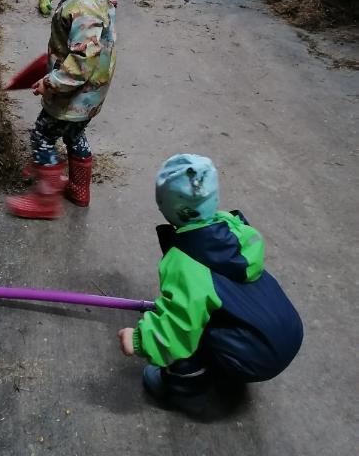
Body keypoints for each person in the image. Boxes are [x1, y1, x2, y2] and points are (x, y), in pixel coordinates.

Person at [118, 154, 304, 416]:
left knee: (190, 333)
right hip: (289, 330)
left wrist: (139, 340)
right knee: (209, 305)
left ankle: (183, 385)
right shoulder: (232, 226)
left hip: (258, 357)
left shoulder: (184, 262)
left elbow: (179, 326)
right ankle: (234, 353)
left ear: (167, 208)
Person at [7, 0, 128, 219]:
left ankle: (45, 199)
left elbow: (81, 62)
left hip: (72, 92)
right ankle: (79, 188)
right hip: (91, 95)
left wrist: (52, 82)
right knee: (75, 134)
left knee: (42, 136)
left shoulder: (84, 8)